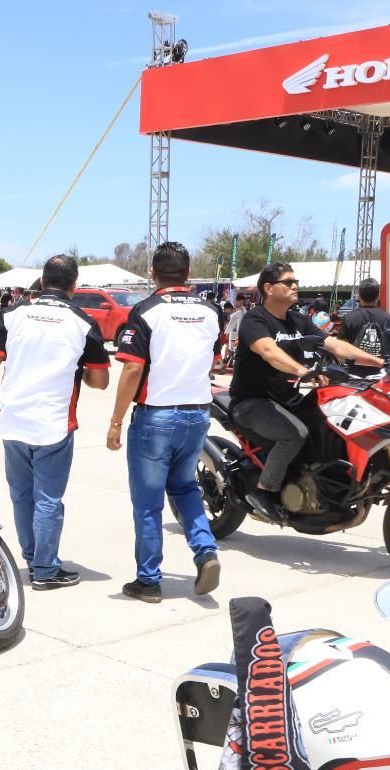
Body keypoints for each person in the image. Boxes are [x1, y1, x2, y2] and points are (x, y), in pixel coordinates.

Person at [0, 254, 110, 590]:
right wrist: (79, 370)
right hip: (54, 424)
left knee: (22, 496)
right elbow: (100, 381)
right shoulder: (83, 321)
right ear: (74, 285)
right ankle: (46, 569)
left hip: (14, 421)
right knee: (48, 499)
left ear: (41, 280)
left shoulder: (12, 315)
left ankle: (33, 559)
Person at [105, 241, 224, 603]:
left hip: (156, 415)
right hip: (197, 414)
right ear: (188, 274)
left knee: (148, 501)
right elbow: (214, 360)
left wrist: (115, 421)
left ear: (153, 272)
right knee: (185, 487)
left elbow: (132, 368)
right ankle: (205, 550)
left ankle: (148, 580)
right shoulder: (211, 311)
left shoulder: (146, 311)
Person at [228, 263, 381, 523]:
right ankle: (264, 492)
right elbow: (268, 351)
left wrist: (380, 361)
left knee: (334, 421)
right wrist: (302, 370)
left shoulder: (298, 320)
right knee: (294, 434)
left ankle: (325, 486)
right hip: (252, 402)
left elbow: (334, 344)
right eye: (288, 282)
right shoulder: (255, 319)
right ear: (269, 288)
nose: (295, 286)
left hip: (289, 399)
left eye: (295, 281)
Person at [339, 277, 390, 360]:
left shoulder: (349, 318)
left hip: (355, 366)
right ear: (378, 295)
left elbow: (341, 346)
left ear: (359, 296)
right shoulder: (388, 319)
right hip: (381, 366)